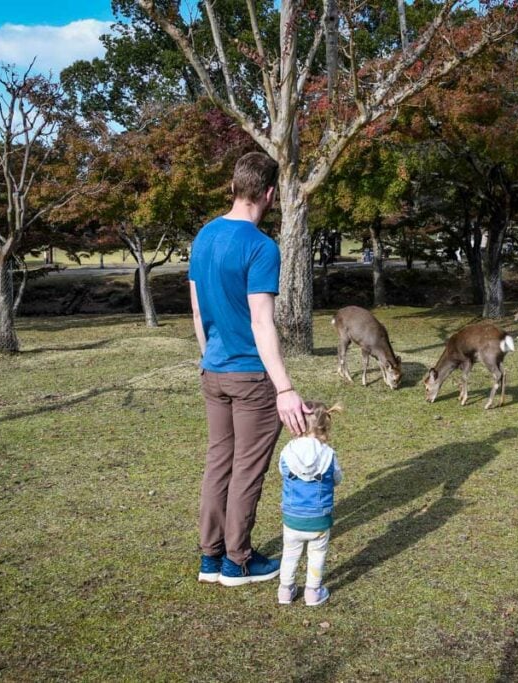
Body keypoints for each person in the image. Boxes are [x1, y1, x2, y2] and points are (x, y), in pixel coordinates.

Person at [189, 151, 308, 587]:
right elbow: (262, 321)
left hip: (214, 371)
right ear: (270, 194)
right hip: (251, 377)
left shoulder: (203, 236)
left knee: (219, 462)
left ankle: (209, 558)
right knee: (246, 469)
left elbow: (197, 310)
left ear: (235, 186)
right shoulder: (261, 246)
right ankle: (236, 561)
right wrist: (285, 388)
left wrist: (210, 359)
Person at [276, 401, 343, 607]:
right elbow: (337, 478)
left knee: (290, 553)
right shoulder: (328, 454)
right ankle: (313, 592)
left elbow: (282, 471)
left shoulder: (288, 451)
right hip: (319, 519)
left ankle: (285, 591)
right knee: (317, 553)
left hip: (292, 518)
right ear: (324, 427)